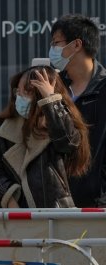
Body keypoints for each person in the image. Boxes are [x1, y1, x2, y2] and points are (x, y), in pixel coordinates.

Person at [0, 66, 90, 208]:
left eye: (27, 92)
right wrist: (9, 199)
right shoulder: (0, 128)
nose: (19, 96)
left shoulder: (59, 124)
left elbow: (69, 144)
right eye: (17, 91)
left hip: (53, 217)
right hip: (11, 217)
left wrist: (51, 101)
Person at [49, 14, 106, 207]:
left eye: (56, 43)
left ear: (76, 44)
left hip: (98, 204)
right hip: (57, 204)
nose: (52, 50)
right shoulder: (53, 88)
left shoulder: (103, 89)